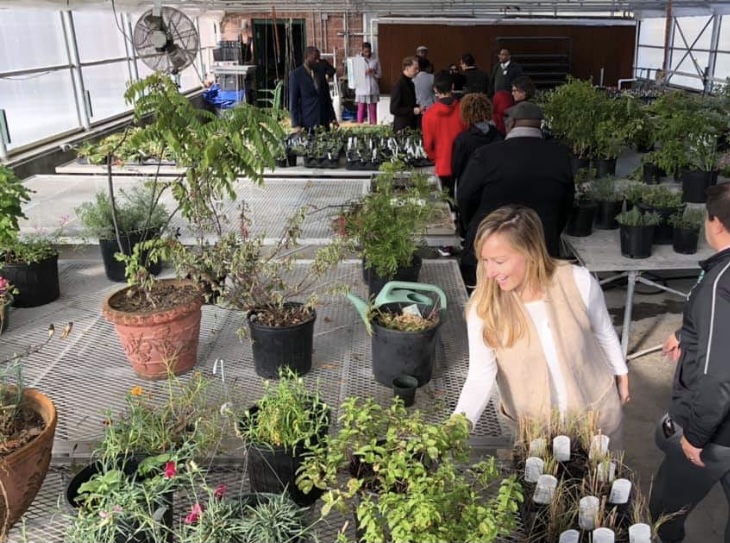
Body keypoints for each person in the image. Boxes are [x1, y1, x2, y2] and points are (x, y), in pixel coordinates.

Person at [453, 205, 629, 447]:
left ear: (530, 252)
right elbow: (479, 377)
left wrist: (621, 372)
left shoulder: (576, 281)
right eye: (485, 260)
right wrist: (454, 430)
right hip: (536, 433)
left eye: (499, 261)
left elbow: (604, 331)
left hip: (595, 417)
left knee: (597, 482)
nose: (490, 272)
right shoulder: (484, 308)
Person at [650, 182, 730, 543]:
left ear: (714, 223)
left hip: (716, 434)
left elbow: (718, 378)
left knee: (664, 511)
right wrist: (688, 336)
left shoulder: (721, 282)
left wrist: (695, 437)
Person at [457, 101, 574, 290]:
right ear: (540, 125)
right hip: (540, 244)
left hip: (491, 242)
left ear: (510, 124)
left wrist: (472, 226)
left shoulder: (487, 155)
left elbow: (464, 196)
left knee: (486, 303)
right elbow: (567, 202)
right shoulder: (560, 156)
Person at [422, 71, 466, 201]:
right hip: (463, 164)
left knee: (446, 201)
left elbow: (428, 145)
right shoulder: (463, 110)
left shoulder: (429, 114)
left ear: (435, 89)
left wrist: (436, 158)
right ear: (452, 87)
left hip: (442, 164)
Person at [451, 93, 503, 197]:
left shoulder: (463, 139)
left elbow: (456, 168)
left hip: (471, 187)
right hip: (495, 187)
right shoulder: (499, 136)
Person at [289, 46, 336, 132]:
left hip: (323, 121)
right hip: (308, 122)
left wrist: (332, 117)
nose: (317, 61)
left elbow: (326, 97)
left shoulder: (320, 71)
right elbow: (293, 102)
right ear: (306, 57)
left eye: (318, 58)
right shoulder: (296, 75)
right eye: (315, 59)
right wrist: (296, 124)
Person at [390, 56, 421, 132]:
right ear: (407, 68)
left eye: (418, 69)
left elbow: (410, 103)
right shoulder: (399, 85)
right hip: (402, 127)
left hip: (411, 125)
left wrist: (418, 107)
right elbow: (393, 109)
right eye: (415, 69)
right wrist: (412, 110)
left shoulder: (411, 83)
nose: (417, 71)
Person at [354, 42, 381, 125]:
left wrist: (373, 73)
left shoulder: (375, 59)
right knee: (361, 109)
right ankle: (359, 126)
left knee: (373, 110)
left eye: (368, 51)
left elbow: (380, 74)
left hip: (372, 88)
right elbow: (355, 76)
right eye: (365, 51)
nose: (367, 53)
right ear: (362, 50)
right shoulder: (357, 59)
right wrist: (364, 73)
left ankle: (373, 126)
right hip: (362, 88)